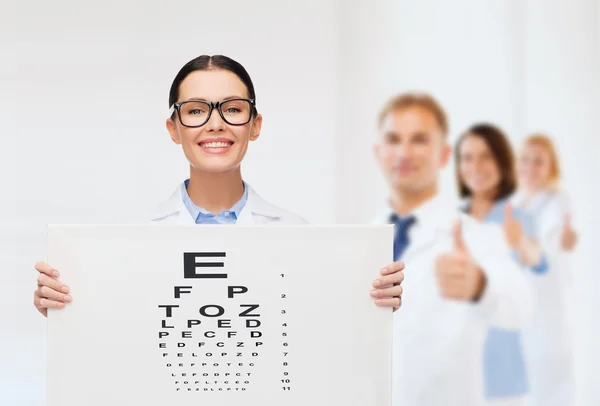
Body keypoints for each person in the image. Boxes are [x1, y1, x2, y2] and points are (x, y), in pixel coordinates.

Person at [33, 54, 404, 316]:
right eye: (196, 110)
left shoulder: (297, 235)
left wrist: (369, 299)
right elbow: (119, 341)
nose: (215, 124)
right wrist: (67, 310)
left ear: (254, 124)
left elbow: (317, 330)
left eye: (232, 108)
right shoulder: (133, 242)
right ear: (173, 129)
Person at [371, 92, 532, 406]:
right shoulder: (367, 236)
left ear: (444, 155)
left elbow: (520, 303)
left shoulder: (475, 236)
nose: (404, 152)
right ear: (378, 152)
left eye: (419, 140)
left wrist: (479, 285)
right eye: (393, 139)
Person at [456, 123, 548, 406]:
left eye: (486, 156)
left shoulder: (516, 216)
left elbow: (538, 260)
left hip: (503, 367)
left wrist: (520, 244)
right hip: (456, 361)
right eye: (468, 157)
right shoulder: (451, 219)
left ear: (501, 161)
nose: (476, 166)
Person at [512, 134, 577, 406]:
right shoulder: (516, 202)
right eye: (525, 160)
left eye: (539, 162)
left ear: (552, 166)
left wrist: (563, 238)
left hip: (548, 308)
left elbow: (558, 236)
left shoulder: (557, 199)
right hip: (522, 308)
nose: (530, 167)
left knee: (550, 383)